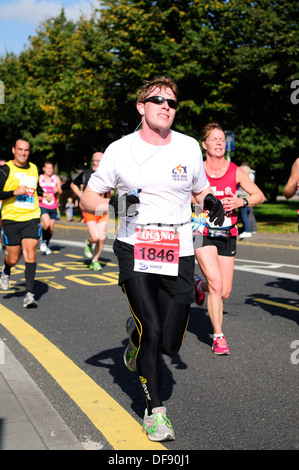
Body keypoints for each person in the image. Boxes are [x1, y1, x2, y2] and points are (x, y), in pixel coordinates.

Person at [80, 76, 225, 442]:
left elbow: (199, 187)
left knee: (170, 343)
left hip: (177, 248)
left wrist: (209, 200)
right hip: (134, 247)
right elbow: (87, 199)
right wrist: (113, 205)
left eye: (172, 102)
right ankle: (155, 412)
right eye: (158, 99)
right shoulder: (119, 150)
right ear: (141, 107)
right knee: (153, 330)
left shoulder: (189, 147)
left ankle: (134, 338)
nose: (166, 106)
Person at [192, 122, 265, 355]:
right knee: (216, 282)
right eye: (213, 139)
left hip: (228, 233)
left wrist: (241, 202)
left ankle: (198, 286)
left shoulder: (235, 170)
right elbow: (182, 196)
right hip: (200, 232)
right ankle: (218, 337)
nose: (219, 143)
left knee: (223, 292)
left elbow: (259, 195)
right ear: (204, 144)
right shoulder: (196, 170)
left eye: (222, 139)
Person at [0, 138, 43, 308]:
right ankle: (6, 269)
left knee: (30, 252)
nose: (23, 153)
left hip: (31, 216)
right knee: (13, 258)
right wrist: (13, 192)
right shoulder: (5, 169)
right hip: (11, 220)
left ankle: (29, 295)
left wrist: (44, 194)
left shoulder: (34, 168)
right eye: (20, 149)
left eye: (26, 150)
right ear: (13, 150)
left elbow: (36, 188)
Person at [71, 152, 110, 271]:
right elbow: (73, 184)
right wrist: (81, 195)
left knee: (102, 238)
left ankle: (95, 260)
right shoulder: (86, 173)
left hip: (102, 209)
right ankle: (89, 242)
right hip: (89, 209)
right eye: (102, 159)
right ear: (95, 161)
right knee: (95, 237)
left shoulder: (107, 174)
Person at [39, 161, 62, 255]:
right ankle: (43, 241)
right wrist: (39, 197)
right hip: (43, 205)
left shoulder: (56, 178)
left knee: (51, 229)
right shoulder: (40, 178)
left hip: (53, 206)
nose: (49, 170)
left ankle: (46, 244)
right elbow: (36, 192)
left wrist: (57, 190)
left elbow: (60, 191)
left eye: (51, 168)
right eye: (47, 168)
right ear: (44, 168)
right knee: (47, 224)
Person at [237, 162, 258, 237]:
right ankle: (250, 228)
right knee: (248, 214)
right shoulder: (250, 176)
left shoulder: (245, 180)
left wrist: (235, 192)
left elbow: (243, 191)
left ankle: (248, 230)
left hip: (244, 198)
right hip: (248, 198)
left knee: (244, 215)